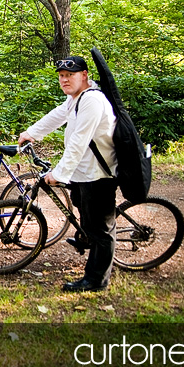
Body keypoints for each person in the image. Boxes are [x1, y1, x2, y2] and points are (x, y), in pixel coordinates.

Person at [18, 55, 118, 292]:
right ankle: (88, 238)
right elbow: (58, 115)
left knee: (102, 229)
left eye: (70, 75)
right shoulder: (76, 98)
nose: (64, 80)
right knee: (82, 207)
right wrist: (31, 132)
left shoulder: (92, 100)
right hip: (84, 172)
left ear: (84, 76)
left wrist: (59, 173)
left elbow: (78, 142)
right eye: (61, 76)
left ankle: (96, 280)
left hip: (98, 173)